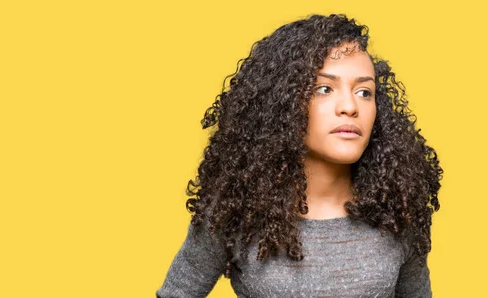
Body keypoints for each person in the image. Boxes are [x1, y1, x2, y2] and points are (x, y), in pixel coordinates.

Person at [157, 13, 443, 298]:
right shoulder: (235, 210)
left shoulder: (397, 211)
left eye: (364, 92)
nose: (349, 106)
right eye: (324, 88)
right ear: (284, 102)